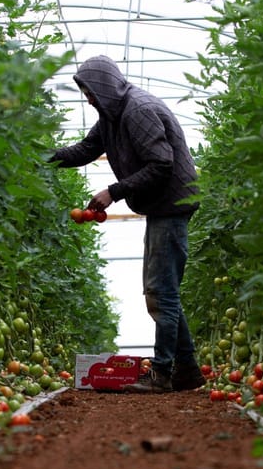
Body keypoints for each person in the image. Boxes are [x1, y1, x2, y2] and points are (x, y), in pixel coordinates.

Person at [48, 55, 204, 393]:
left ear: (104, 86)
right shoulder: (112, 115)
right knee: (159, 292)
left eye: (90, 91)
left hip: (172, 204)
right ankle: (187, 369)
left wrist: (113, 192)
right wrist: (42, 157)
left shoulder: (137, 110)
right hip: (162, 207)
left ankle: (162, 373)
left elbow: (162, 164)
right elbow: (87, 149)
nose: (88, 98)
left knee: (161, 292)